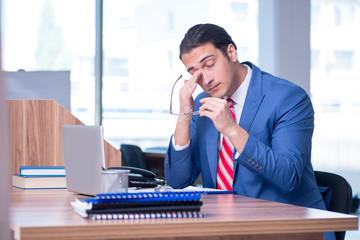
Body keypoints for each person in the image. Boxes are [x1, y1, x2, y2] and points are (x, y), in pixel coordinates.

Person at [164, 23, 335, 240]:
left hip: (291, 228)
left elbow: (288, 177)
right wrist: (184, 116)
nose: (204, 80)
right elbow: (178, 180)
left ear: (231, 52)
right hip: (226, 230)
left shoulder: (289, 98)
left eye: (209, 65)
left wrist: (232, 130)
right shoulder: (202, 103)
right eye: (194, 73)